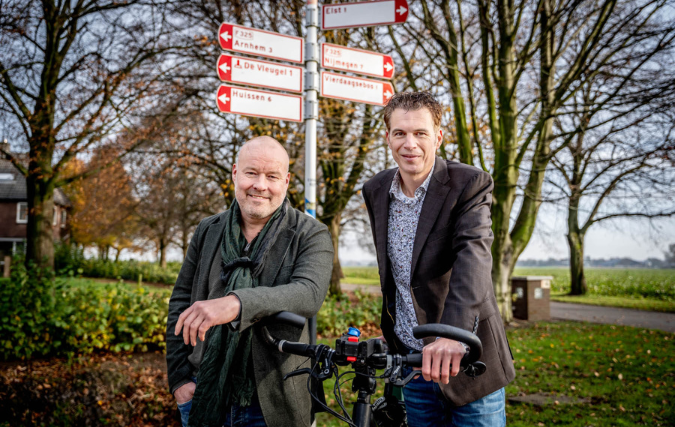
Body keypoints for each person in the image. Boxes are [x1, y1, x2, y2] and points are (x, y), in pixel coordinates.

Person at [362, 91, 515, 427]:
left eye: (420, 133)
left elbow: (472, 259)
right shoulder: (375, 190)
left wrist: (452, 334)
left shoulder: (468, 183)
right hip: (413, 363)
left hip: (469, 361)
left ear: (438, 136)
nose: (409, 144)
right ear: (388, 137)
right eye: (400, 133)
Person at [165, 136, 333, 427]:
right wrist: (179, 379)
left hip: (275, 401)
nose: (260, 185)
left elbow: (309, 293)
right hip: (204, 392)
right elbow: (180, 301)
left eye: (272, 176)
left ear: (287, 181)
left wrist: (236, 303)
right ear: (235, 173)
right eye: (251, 173)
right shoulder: (208, 229)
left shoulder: (311, 233)